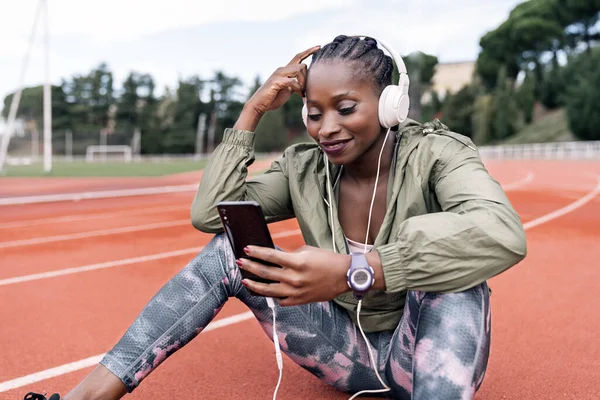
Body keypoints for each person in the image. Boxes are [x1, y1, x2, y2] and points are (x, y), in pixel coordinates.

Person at [26, 35, 526, 400]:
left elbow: (502, 233)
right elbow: (210, 213)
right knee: (229, 249)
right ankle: (85, 399)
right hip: (348, 358)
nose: (327, 128)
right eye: (314, 112)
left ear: (391, 104)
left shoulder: (439, 154)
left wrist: (362, 269)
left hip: (428, 363)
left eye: (346, 108)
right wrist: (252, 112)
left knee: (457, 268)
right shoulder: (303, 167)